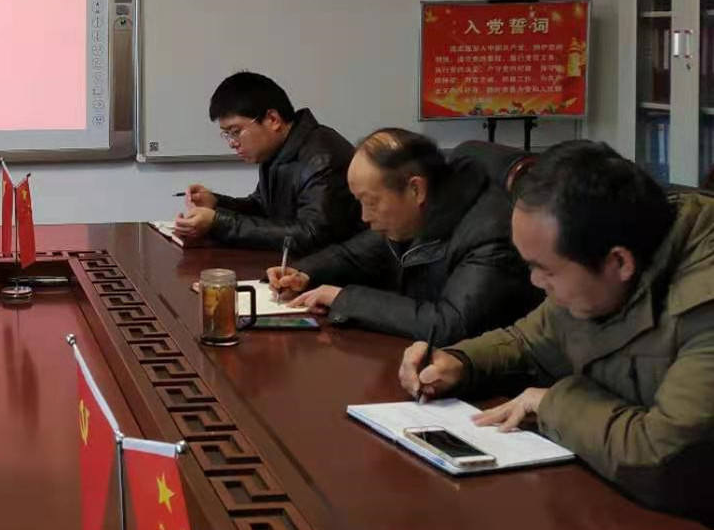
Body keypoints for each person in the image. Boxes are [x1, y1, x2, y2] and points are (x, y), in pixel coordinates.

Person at [399, 141, 713, 524]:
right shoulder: (601, 256)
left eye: (545, 269)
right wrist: (458, 362)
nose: (534, 282)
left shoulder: (704, 301)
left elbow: (664, 460)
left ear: (618, 262)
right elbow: (529, 340)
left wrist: (553, 402)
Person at [268, 127, 540, 345]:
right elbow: (355, 255)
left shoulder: (490, 233)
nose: (364, 216)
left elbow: (450, 324)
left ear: (415, 189)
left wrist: (343, 299)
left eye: (371, 202)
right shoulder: (422, 209)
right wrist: (304, 273)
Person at [173, 71, 361, 255]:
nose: (232, 143)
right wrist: (216, 203)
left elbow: (311, 235)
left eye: (236, 132)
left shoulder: (323, 159)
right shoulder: (278, 150)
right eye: (227, 134)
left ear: (272, 120)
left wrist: (219, 223)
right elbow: (262, 208)